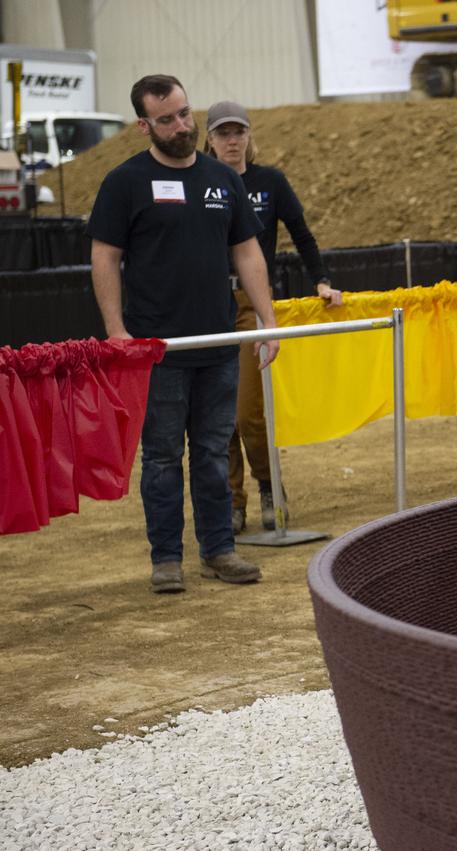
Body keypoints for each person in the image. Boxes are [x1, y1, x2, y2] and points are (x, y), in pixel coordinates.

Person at [87, 75, 279, 594]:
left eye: (185, 113)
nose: (182, 126)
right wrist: (117, 332)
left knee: (214, 453)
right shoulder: (125, 182)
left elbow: (247, 252)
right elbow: (105, 257)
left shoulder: (222, 179)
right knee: (164, 457)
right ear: (143, 125)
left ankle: (219, 550)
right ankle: (166, 558)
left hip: (217, 345)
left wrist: (268, 321)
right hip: (158, 351)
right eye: (167, 119)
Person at [202, 101, 341, 534]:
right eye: (223, 133)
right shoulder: (199, 182)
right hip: (205, 305)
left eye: (238, 131)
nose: (231, 140)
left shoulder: (269, 181)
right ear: (209, 139)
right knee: (215, 412)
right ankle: (231, 500)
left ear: (248, 135)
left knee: (247, 411)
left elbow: (302, 233)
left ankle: (269, 486)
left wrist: (321, 280)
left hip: (250, 302)